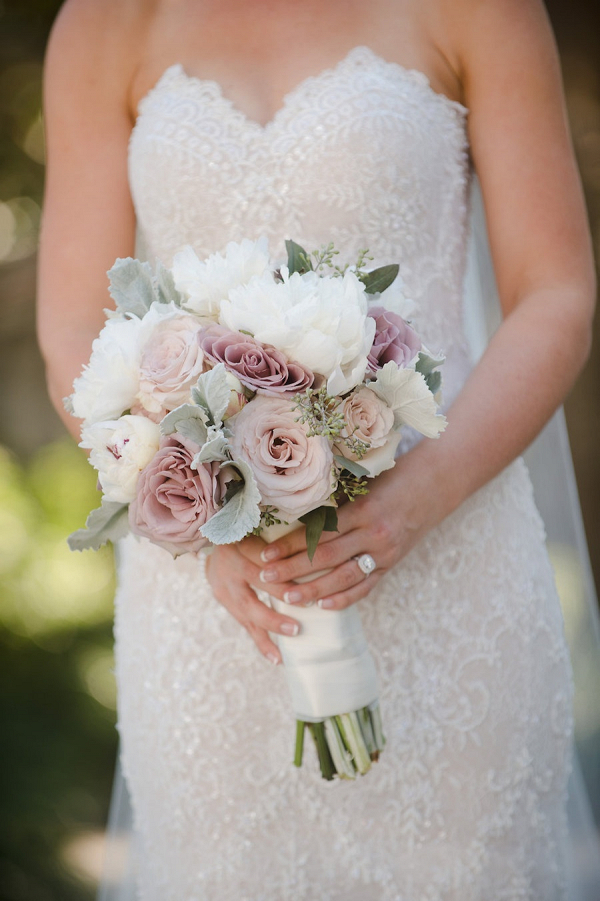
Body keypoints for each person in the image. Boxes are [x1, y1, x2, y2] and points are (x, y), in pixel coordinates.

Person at [37, 0, 597, 898]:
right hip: (214, 603)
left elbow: (556, 291)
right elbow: (73, 327)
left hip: (453, 569)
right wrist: (196, 511)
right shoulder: (105, 23)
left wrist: (422, 492)